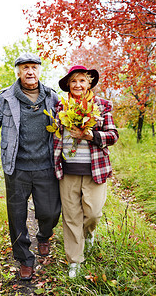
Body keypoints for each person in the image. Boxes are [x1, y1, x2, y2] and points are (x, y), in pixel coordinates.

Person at [0, 53, 61, 281]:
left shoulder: (52, 97)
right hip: (16, 167)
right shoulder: (6, 97)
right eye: (25, 68)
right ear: (18, 71)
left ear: (39, 70)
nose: (30, 72)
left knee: (50, 212)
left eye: (33, 67)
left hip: (45, 166)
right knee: (17, 216)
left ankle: (44, 235)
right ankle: (24, 258)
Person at [54, 65, 119, 278]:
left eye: (82, 80)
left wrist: (92, 136)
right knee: (71, 216)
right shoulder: (60, 106)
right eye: (73, 81)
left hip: (95, 170)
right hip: (68, 169)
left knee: (93, 213)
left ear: (89, 83)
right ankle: (75, 260)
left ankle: (88, 233)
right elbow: (54, 135)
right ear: (68, 85)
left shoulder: (103, 105)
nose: (78, 85)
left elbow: (113, 135)